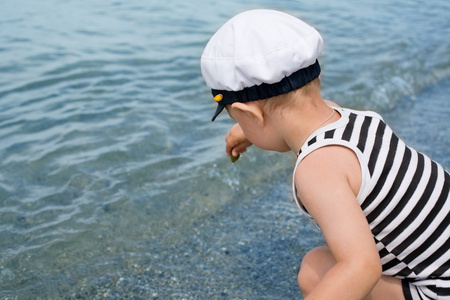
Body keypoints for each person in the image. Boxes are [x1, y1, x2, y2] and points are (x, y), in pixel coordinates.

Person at [200, 9, 450, 300]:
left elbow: (362, 267)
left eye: (238, 120)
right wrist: (251, 129)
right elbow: (305, 113)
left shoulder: (316, 169)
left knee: (314, 271)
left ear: (251, 115)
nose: (240, 126)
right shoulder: (356, 120)